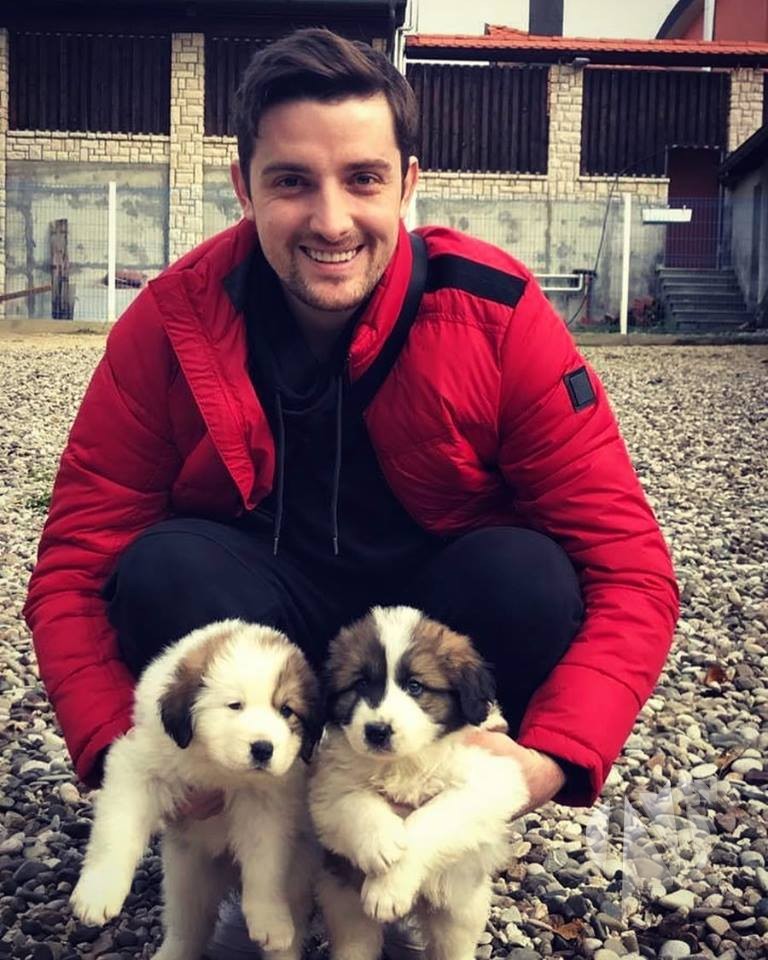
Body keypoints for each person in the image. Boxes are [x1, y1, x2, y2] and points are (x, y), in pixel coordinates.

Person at [24, 26, 678, 960]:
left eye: (363, 179)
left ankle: (431, 827)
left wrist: (552, 757)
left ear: (408, 184)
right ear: (244, 186)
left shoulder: (496, 313)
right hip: (267, 629)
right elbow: (73, 570)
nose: (331, 220)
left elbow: (631, 571)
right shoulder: (171, 321)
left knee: (530, 574)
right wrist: (112, 745)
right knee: (161, 569)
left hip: (420, 628)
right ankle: (239, 846)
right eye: (293, 181)